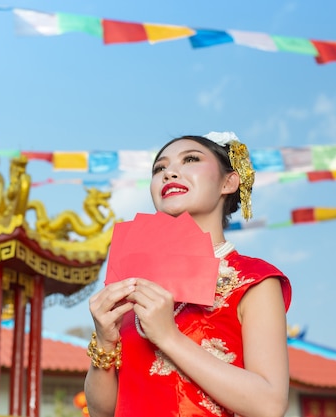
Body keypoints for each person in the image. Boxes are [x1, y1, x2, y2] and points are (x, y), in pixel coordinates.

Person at [84, 132, 292, 417]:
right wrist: (104, 343)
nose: (169, 172)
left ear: (229, 182)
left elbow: (269, 405)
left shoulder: (253, 279)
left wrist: (168, 337)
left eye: (191, 159)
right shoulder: (133, 286)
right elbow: (102, 412)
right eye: (160, 169)